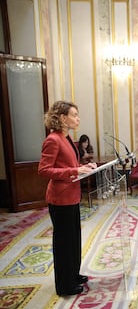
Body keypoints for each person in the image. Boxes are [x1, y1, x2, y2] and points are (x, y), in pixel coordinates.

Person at [38, 101, 97, 296]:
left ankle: (73, 274)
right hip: (60, 198)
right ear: (63, 118)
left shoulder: (68, 138)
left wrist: (85, 167)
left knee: (73, 239)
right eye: (74, 114)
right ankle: (64, 285)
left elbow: (70, 163)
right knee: (63, 243)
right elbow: (44, 170)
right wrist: (74, 170)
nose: (78, 118)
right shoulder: (53, 139)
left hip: (72, 196)